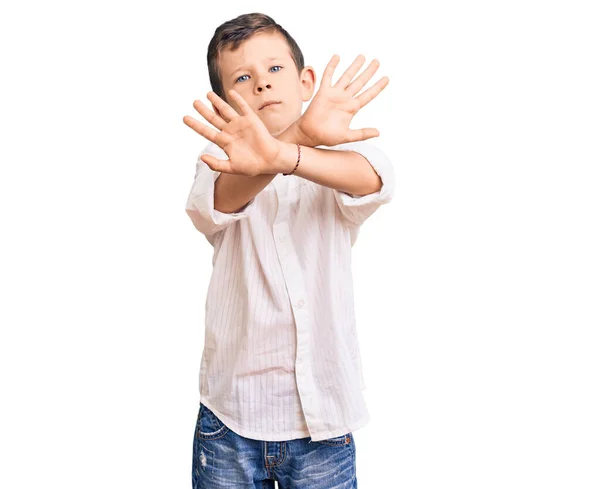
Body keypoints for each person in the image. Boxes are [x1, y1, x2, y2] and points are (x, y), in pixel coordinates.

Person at [183, 12, 395, 489]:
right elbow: (214, 204)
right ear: (224, 104)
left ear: (306, 82)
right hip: (231, 419)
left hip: (325, 421)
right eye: (243, 78)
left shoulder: (337, 160)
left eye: (275, 70)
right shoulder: (217, 165)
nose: (262, 84)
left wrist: (294, 151)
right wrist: (294, 141)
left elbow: (376, 180)